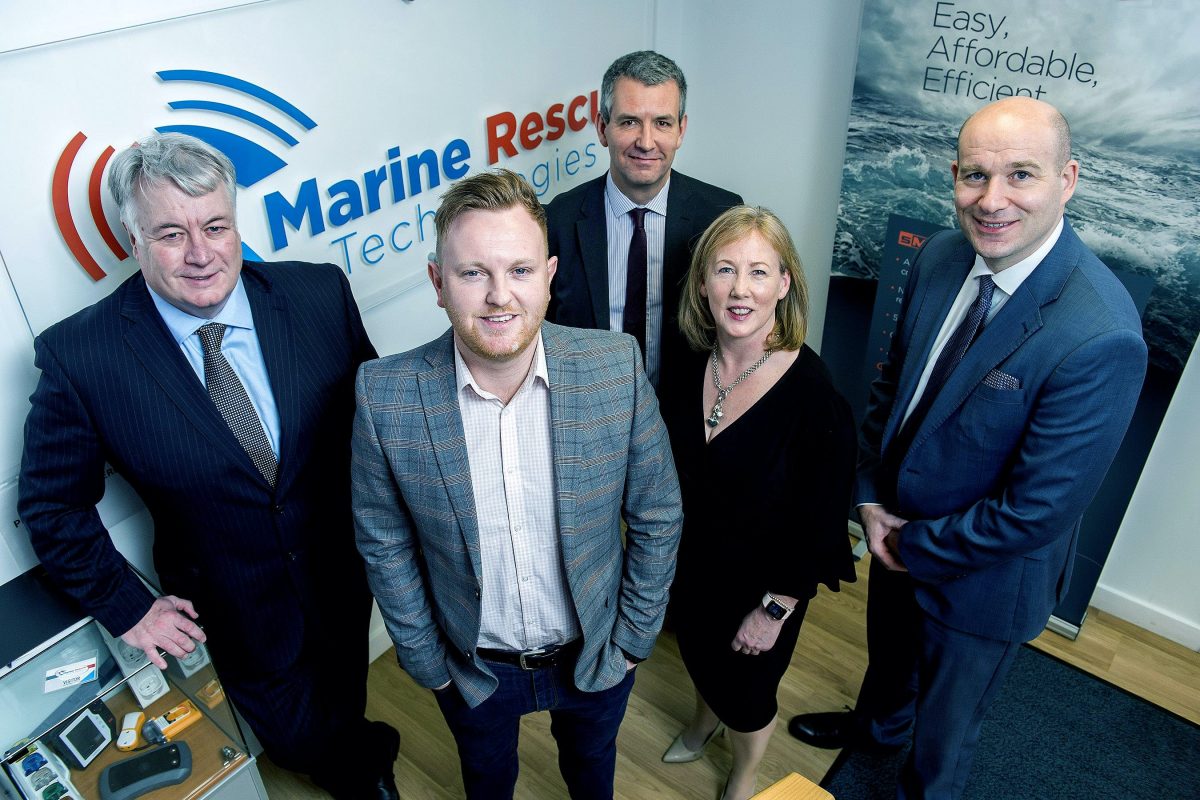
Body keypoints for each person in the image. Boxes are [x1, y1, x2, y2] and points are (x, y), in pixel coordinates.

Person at [18, 133, 399, 800]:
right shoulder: (84, 357)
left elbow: (374, 422)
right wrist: (128, 606)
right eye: (170, 233)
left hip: (342, 570)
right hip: (232, 606)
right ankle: (344, 764)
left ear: (234, 222)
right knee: (293, 735)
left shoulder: (317, 293)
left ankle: (358, 756)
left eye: (215, 226)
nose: (201, 253)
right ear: (133, 243)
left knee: (345, 688)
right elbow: (51, 507)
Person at [787, 97, 1148, 799]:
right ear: (953, 175)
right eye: (974, 176)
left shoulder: (1101, 334)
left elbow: (1035, 512)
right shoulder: (943, 256)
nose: (992, 200)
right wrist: (868, 494)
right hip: (896, 532)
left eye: (1021, 175)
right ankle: (873, 739)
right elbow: (892, 385)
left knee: (944, 744)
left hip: (984, 580)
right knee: (887, 671)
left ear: (1067, 179)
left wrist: (907, 544)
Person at [351, 168, 683, 800]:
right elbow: (383, 540)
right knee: (487, 779)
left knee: (592, 774)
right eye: (473, 272)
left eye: (520, 270)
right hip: (475, 672)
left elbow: (658, 513)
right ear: (438, 283)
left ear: (551, 275)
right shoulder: (385, 396)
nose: (499, 296)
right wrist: (426, 660)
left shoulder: (615, 367)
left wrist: (635, 639)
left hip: (597, 656)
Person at [657, 206, 857, 800]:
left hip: (761, 587)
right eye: (724, 270)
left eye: (758, 272)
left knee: (747, 698)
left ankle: (742, 773)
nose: (740, 289)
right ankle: (701, 720)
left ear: (785, 284)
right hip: (690, 570)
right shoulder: (688, 361)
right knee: (697, 656)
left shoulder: (815, 399)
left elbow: (819, 528)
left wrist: (772, 612)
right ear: (702, 284)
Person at [546, 49, 742, 390]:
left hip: (689, 419)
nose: (646, 141)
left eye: (662, 123)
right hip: (592, 414)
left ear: (681, 130)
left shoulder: (721, 216)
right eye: (629, 121)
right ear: (603, 128)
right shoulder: (557, 221)